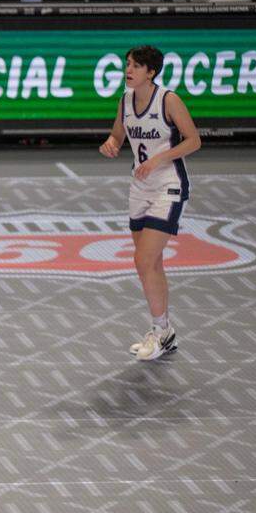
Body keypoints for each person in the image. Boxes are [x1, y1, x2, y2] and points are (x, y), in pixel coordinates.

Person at [98, 46, 201, 361]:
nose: (129, 70)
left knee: (143, 260)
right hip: (139, 186)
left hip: (167, 185)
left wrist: (159, 159)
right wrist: (112, 144)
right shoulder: (125, 101)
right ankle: (164, 332)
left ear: (151, 72)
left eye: (136, 66)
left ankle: (159, 331)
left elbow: (194, 140)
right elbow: (118, 135)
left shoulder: (169, 100)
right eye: (128, 65)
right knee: (150, 264)